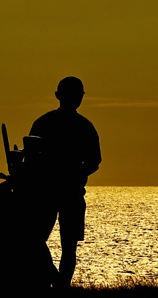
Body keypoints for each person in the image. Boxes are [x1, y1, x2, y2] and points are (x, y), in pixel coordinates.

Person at [28, 76, 102, 289]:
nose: (75, 99)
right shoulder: (79, 126)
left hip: (63, 193)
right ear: (59, 96)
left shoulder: (46, 123)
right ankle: (58, 283)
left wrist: (78, 173)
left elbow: (94, 161)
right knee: (40, 240)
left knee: (55, 244)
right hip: (51, 194)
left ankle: (59, 285)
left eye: (77, 95)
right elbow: (94, 162)